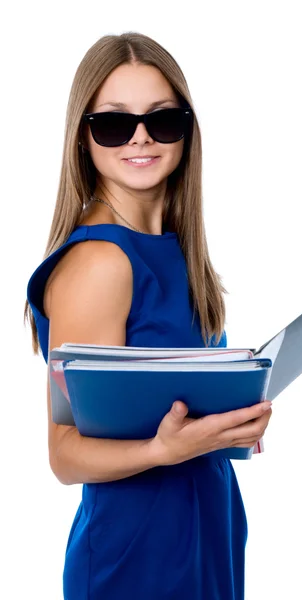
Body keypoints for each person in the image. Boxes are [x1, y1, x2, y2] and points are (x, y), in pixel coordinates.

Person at [24, 31, 273, 600]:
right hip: (137, 557)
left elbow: (180, 406)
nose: (140, 137)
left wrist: (234, 425)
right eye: (114, 123)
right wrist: (164, 450)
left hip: (204, 533)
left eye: (162, 120)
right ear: (83, 137)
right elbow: (64, 454)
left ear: (187, 131)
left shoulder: (180, 253)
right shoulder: (101, 263)